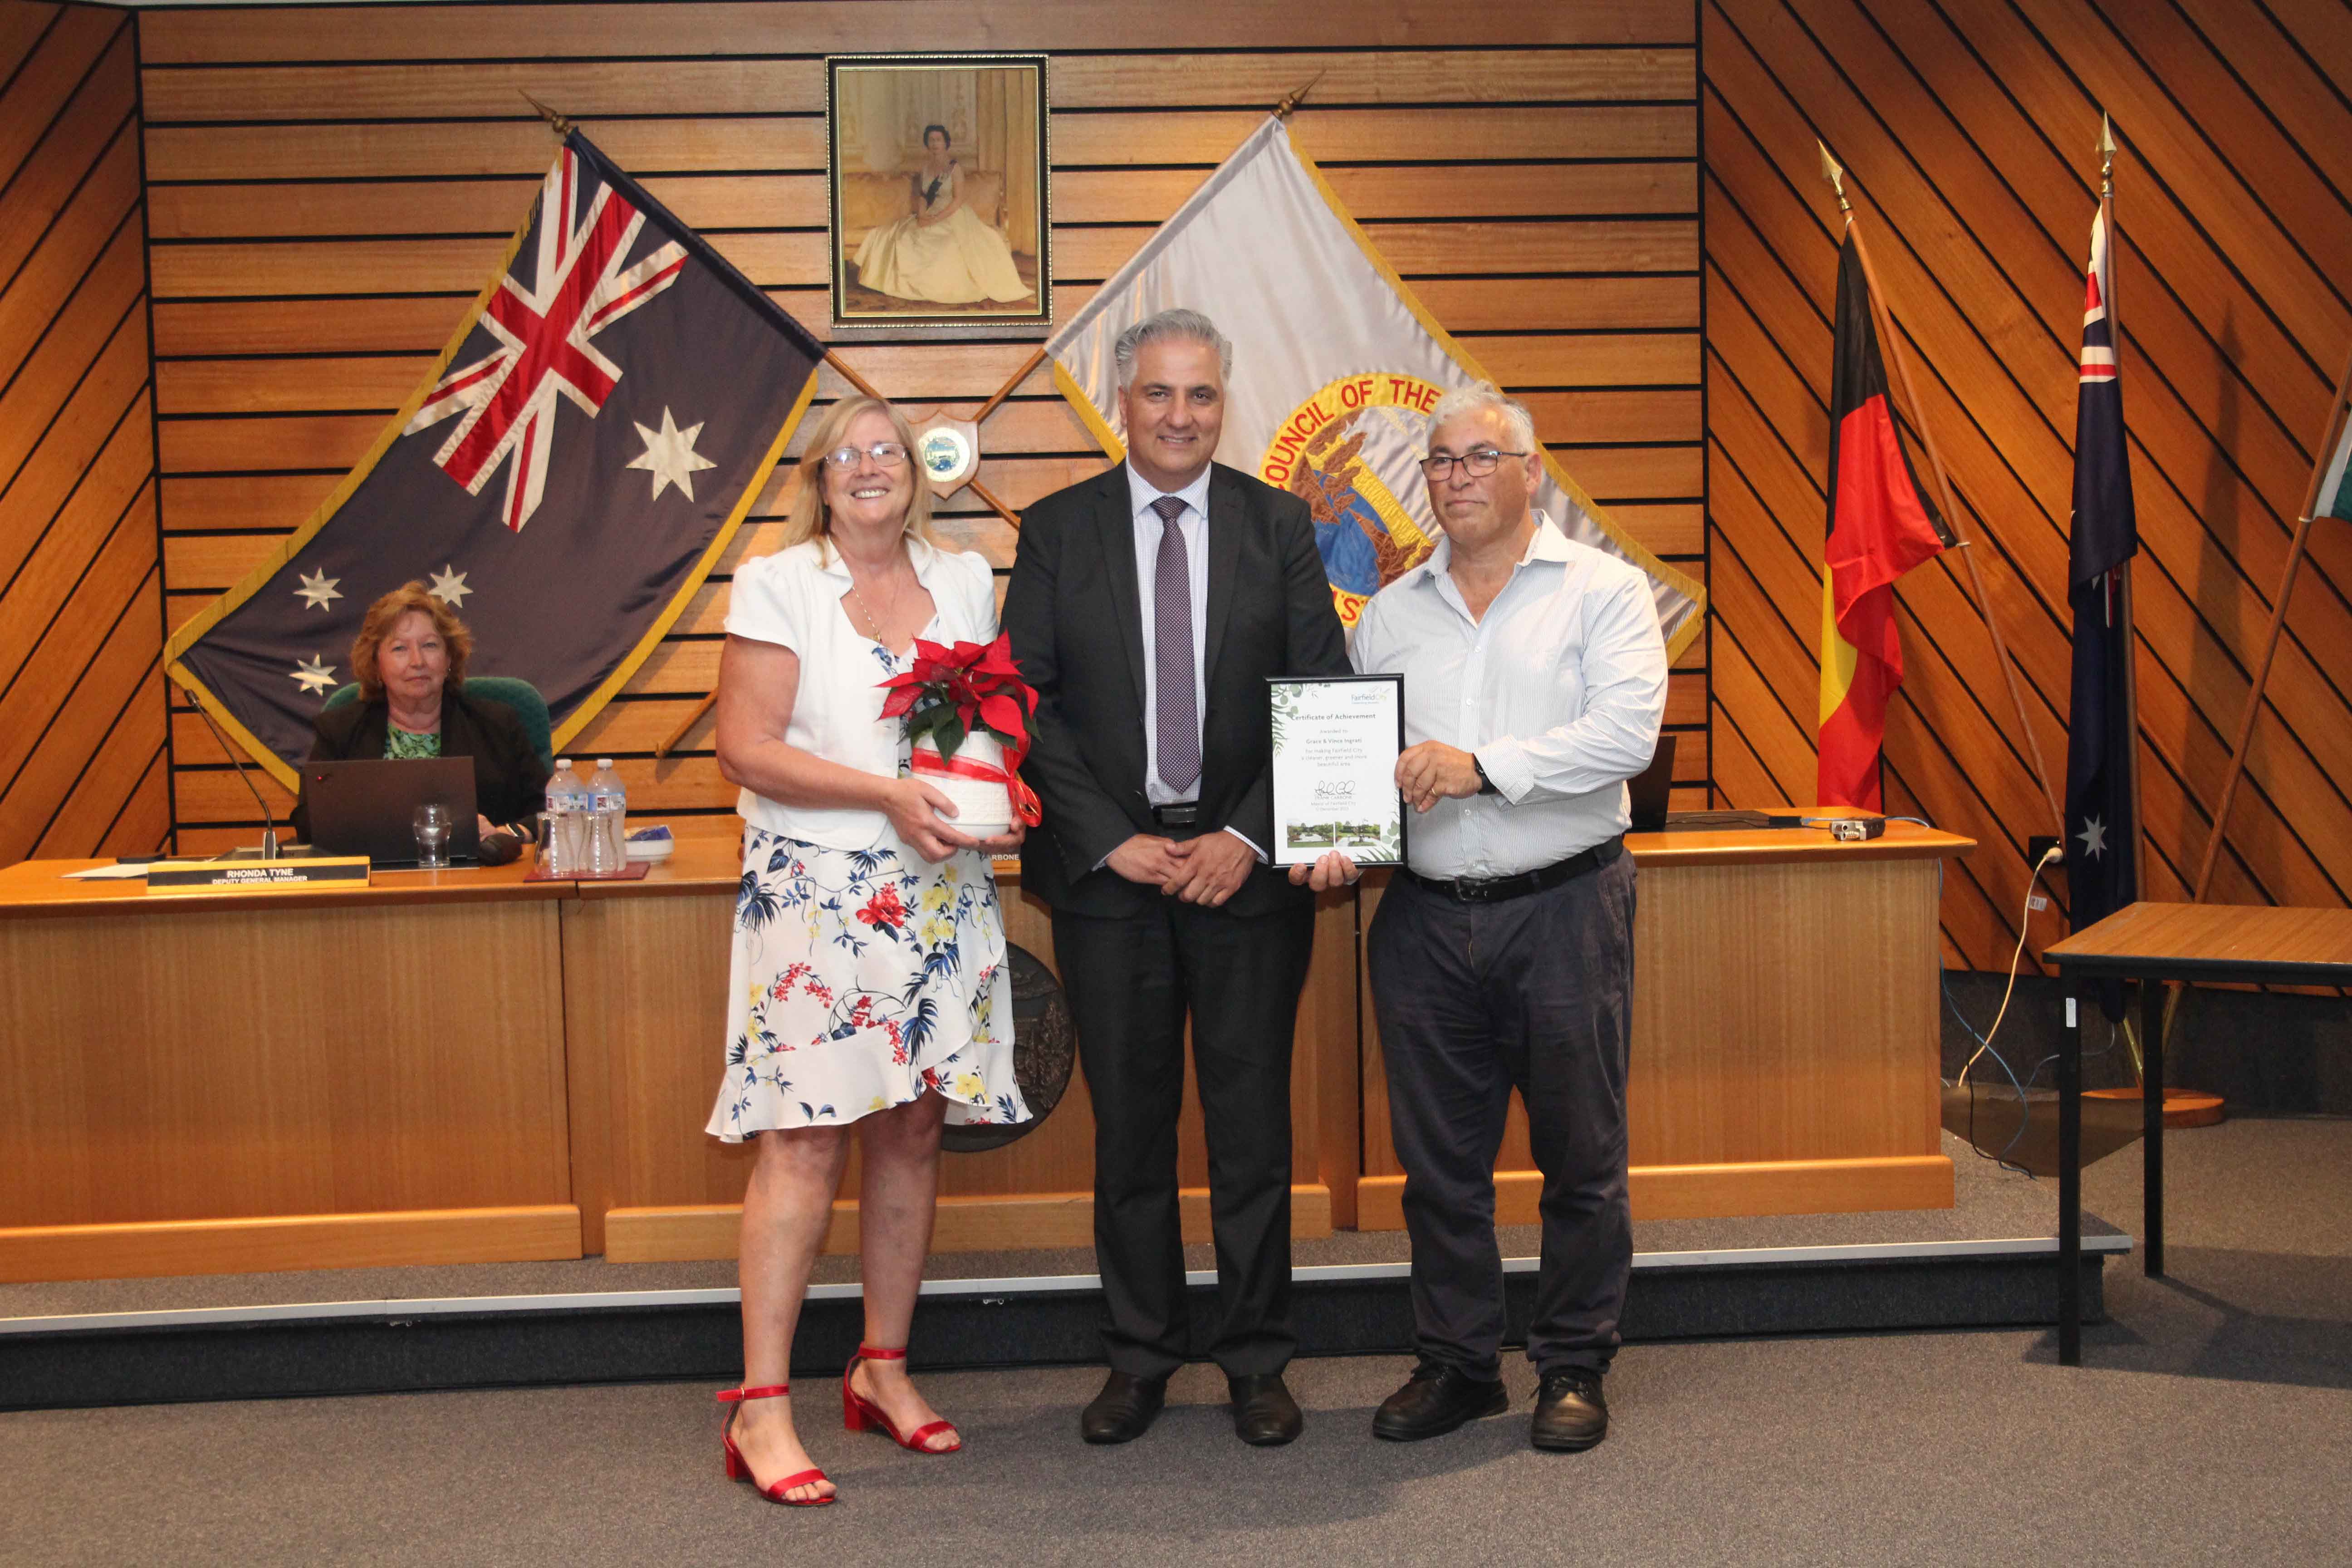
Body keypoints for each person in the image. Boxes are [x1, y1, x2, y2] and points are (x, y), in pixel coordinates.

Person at [1292, 384, 1666, 1453]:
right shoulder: (1392, 612)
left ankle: (1572, 1362)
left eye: (1477, 458)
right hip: (1419, 921)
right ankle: (1458, 1362)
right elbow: (1361, 760)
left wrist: (1482, 769)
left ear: (1528, 472)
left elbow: (1625, 736)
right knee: (1438, 1165)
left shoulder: (1602, 589)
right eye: (1438, 461)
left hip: (1563, 909)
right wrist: (1331, 834)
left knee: (1580, 1155)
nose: (1454, 477)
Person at [1002, 308, 1349, 1448]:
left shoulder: (1278, 523)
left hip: (1240, 877)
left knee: (1251, 1131)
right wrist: (1110, 836)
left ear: (1223, 401)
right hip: (1109, 880)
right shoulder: (1057, 529)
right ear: (1122, 397)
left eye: (1200, 395)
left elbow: (1319, 689)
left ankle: (1255, 1359)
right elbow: (1028, 701)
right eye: (1158, 393)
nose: (1179, 416)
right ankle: (1142, 1355)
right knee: (1130, 1133)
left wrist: (1245, 836)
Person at [706, 394, 1032, 1505]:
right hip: (815, 893)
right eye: (844, 453)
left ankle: (881, 1367)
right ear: (817, 475)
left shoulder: (966, 575)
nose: (866, 465)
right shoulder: (777, 580)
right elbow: (743, 749)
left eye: (885, 449)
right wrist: (889, 794)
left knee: (912, 1130)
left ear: (918, 470)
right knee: (801, 1142)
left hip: (937, 885)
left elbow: (981, 722)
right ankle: (760, 1404)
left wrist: (998, 792)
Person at [288, 581, 547, 843]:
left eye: (430, 646)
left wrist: (507, 834)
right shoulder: (340, 731)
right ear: (376, 664)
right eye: (400, 648)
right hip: (378, 880)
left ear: (449, 659)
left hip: (480, 876)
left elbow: (550, 810)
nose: (418, 662)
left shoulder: (497, 725)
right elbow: (310, 822)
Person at [850, 124, 1032, 306]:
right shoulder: (927, 167)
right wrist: (922, 216)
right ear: (927, 144)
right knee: (900, 236)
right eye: (931, 140)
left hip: (952, 214)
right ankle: (904, 285)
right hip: (929, 212)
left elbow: (958, 200)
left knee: (947, 244)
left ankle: (937, 288)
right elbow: (923, 195)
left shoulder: (954, 168)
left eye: (939, 140)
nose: (935, 144)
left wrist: (936, 219)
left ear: (946, 143)